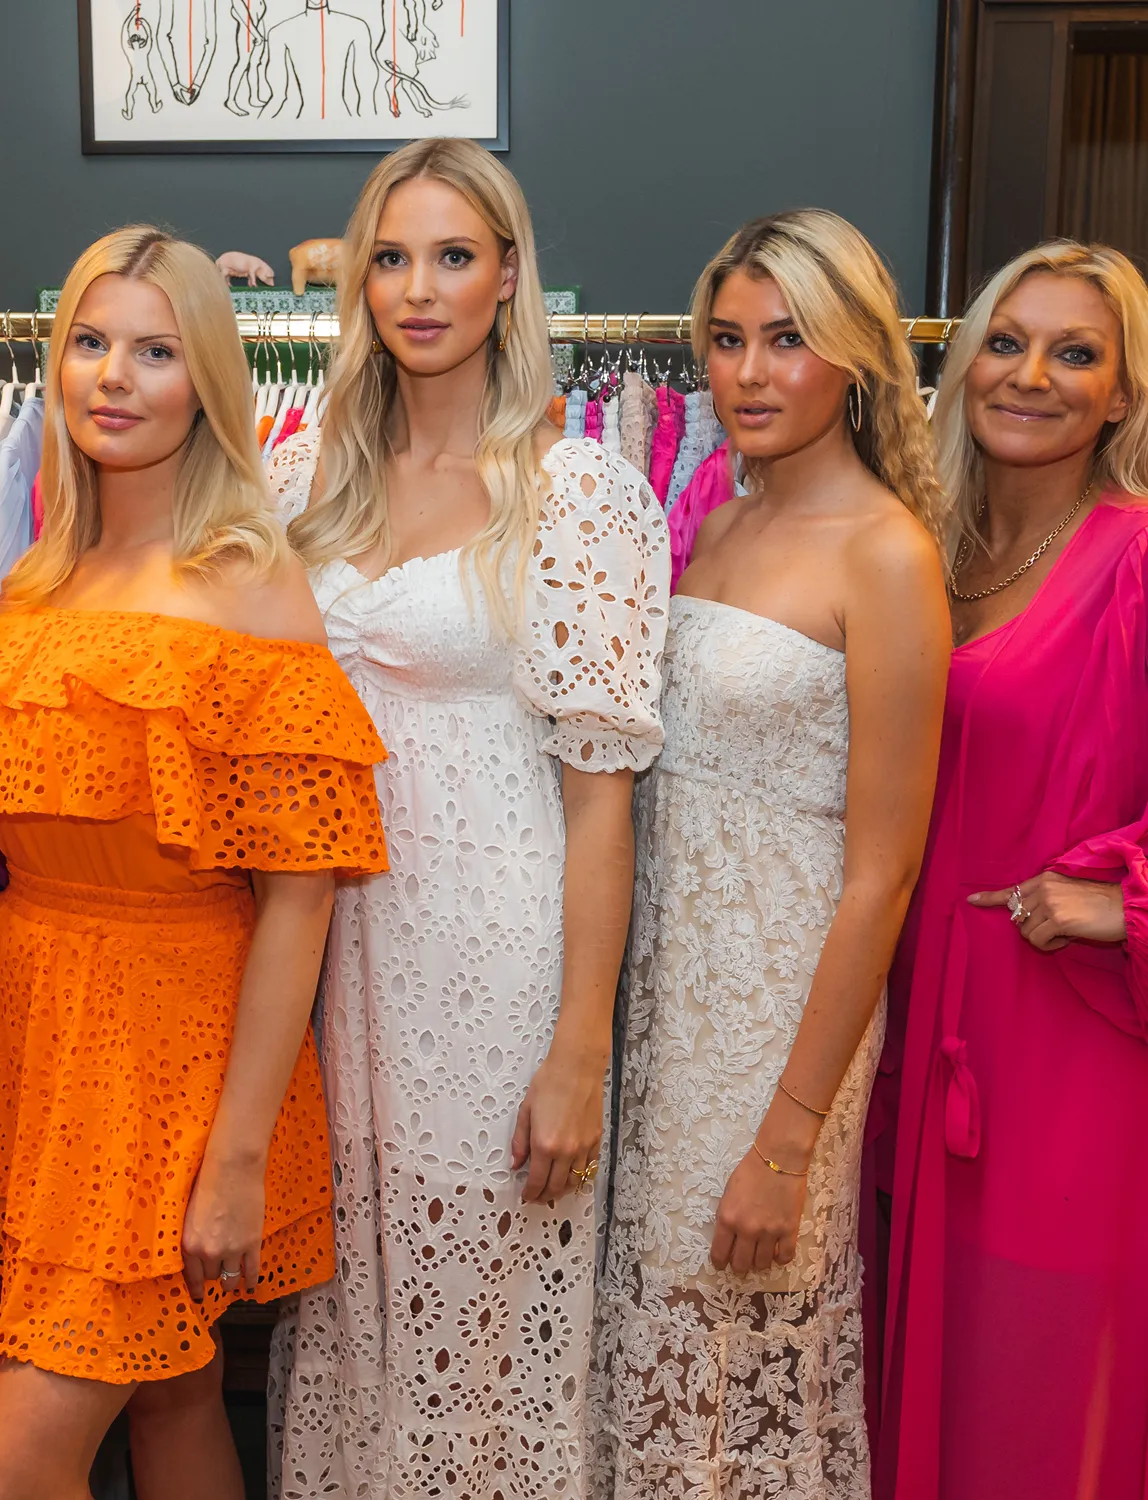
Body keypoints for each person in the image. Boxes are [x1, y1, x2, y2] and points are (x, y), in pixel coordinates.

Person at [0, 226, 387, 1500]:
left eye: (156, 351)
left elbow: (300, 899)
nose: (114, 376)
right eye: (89, 342)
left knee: (12, 1466)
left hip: (168, 1055)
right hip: (45, 1031)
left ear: (208, 383)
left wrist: (236, 1158)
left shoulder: (249, 584)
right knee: (176, 1402)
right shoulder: (34, 583)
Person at [267, 137, 669, 1499]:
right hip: (332, 963)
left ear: (507, 276)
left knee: (481, 1341)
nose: (419, 288)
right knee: (354, 1326)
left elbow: (602, 808)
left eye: (453, 256)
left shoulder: (578, 494)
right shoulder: (303, 481)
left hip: (498, 966)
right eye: (391, 258)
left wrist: (578, 1053)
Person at [589, 210, 951, 1499]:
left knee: (742, 1377)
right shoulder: (721, 524)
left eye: (786, 340)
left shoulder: (888, 554)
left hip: (780, 1022)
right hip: (672, 1007)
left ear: (854, 356)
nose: (747, 373)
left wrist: (791, 1137)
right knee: (665, 1358)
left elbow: (883, 874)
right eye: (727, 339)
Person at [871, 242, 1148, 1500]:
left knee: (1030, 1396)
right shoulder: (921, 546)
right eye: (1006, 341)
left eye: (1075, 353)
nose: (1031, 375)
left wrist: (1121, 899)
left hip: (1061, 1054)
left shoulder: (1134, 558)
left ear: (1123, 394)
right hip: (904, 1033)